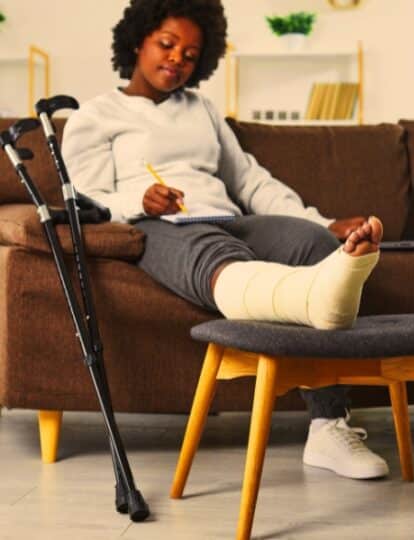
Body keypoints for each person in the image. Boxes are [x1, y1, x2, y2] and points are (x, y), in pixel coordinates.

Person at [62, 0, 389, 480]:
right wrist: (139, 198)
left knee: (313, 248)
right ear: (138, 40)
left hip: (226, 215)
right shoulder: (96, 115)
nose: (176, 59)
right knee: (220, 256)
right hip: (160, 226)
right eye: (166, 44)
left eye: (190, 55)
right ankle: (311, 300)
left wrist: (323, 223)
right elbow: (86, 199)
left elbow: (251, 181)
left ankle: (327, 429)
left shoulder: (202, 110)